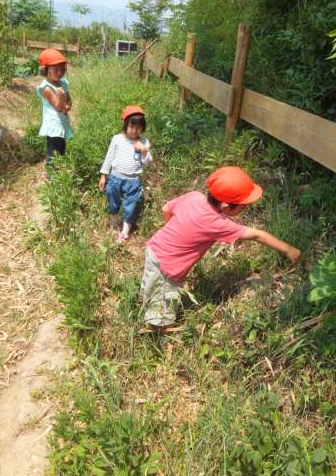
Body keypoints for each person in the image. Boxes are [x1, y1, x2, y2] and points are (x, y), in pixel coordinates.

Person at [141, 166, 301, 328]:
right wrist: (289, 250)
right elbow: (256, 235)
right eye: (243, 206)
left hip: (155, 248)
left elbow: (166, 209)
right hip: (166, 267)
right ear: (225, 206)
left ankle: (149, 302)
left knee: (153, 286)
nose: (245, 208)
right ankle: (159, 331)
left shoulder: (194, 196)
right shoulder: (217, 223)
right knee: (161, 309)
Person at [99, 105, 153, 243]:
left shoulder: (143, 142)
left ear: (143, 128)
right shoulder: (117, 139)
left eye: (138, 127)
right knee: (112, 200)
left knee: (132, 204)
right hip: (115, 178)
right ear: (125, 125)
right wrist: (104, 175)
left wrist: (144, 151)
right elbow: (109, 157)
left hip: (133, 180)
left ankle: (125, 231)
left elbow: (148, 162)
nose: (134, 130)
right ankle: (114, 222)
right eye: (131, 126)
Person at [36, 49, 73, 174]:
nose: (60, 72)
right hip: (53, 125)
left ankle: (58, 174)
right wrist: (62, 99)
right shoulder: (46, 88)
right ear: (45, 69)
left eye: (62, 69)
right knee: (53, 153)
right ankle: (52, 177)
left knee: (61, 150)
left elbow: (69, 101)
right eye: (56, 69)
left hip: (62, 123)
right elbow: (58, 107)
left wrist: (67, 106)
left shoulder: (63, 82)